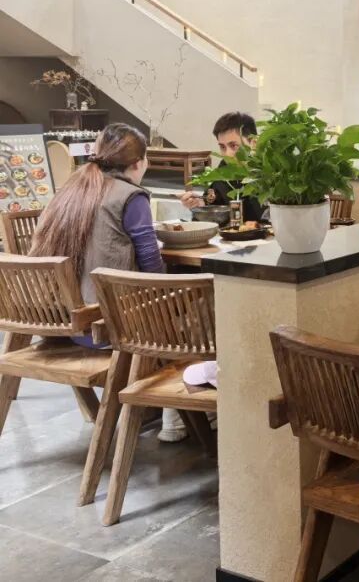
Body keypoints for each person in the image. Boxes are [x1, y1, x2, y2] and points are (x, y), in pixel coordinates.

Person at [29, 124, 187, 443]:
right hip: (111, 330)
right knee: (192, 306)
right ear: (139, 162)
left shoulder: (71, 189)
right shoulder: (130, 196)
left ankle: (157, 403)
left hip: (65, 324)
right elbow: (151, 267)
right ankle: (177, 412)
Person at [179, 112, 265, 223]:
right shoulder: (224, 169)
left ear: (254, 143)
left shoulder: (270, 171)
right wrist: (201, 204)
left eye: (234, 146)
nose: (227, 154)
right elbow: (214, 202)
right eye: (222, 147)